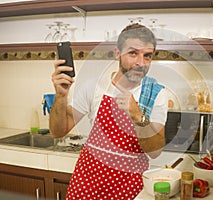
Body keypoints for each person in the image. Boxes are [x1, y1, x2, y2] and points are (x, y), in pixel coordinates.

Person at [50, 23, 169, 199]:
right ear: (117, 53)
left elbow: (154, 151)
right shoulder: (94, 86)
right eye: (133, 53)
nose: (140, 63)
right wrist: (60, 97)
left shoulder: (156, 94)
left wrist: (137, 115)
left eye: (147, 56)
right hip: (86, 184)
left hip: (128, 188)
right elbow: (57, 131)